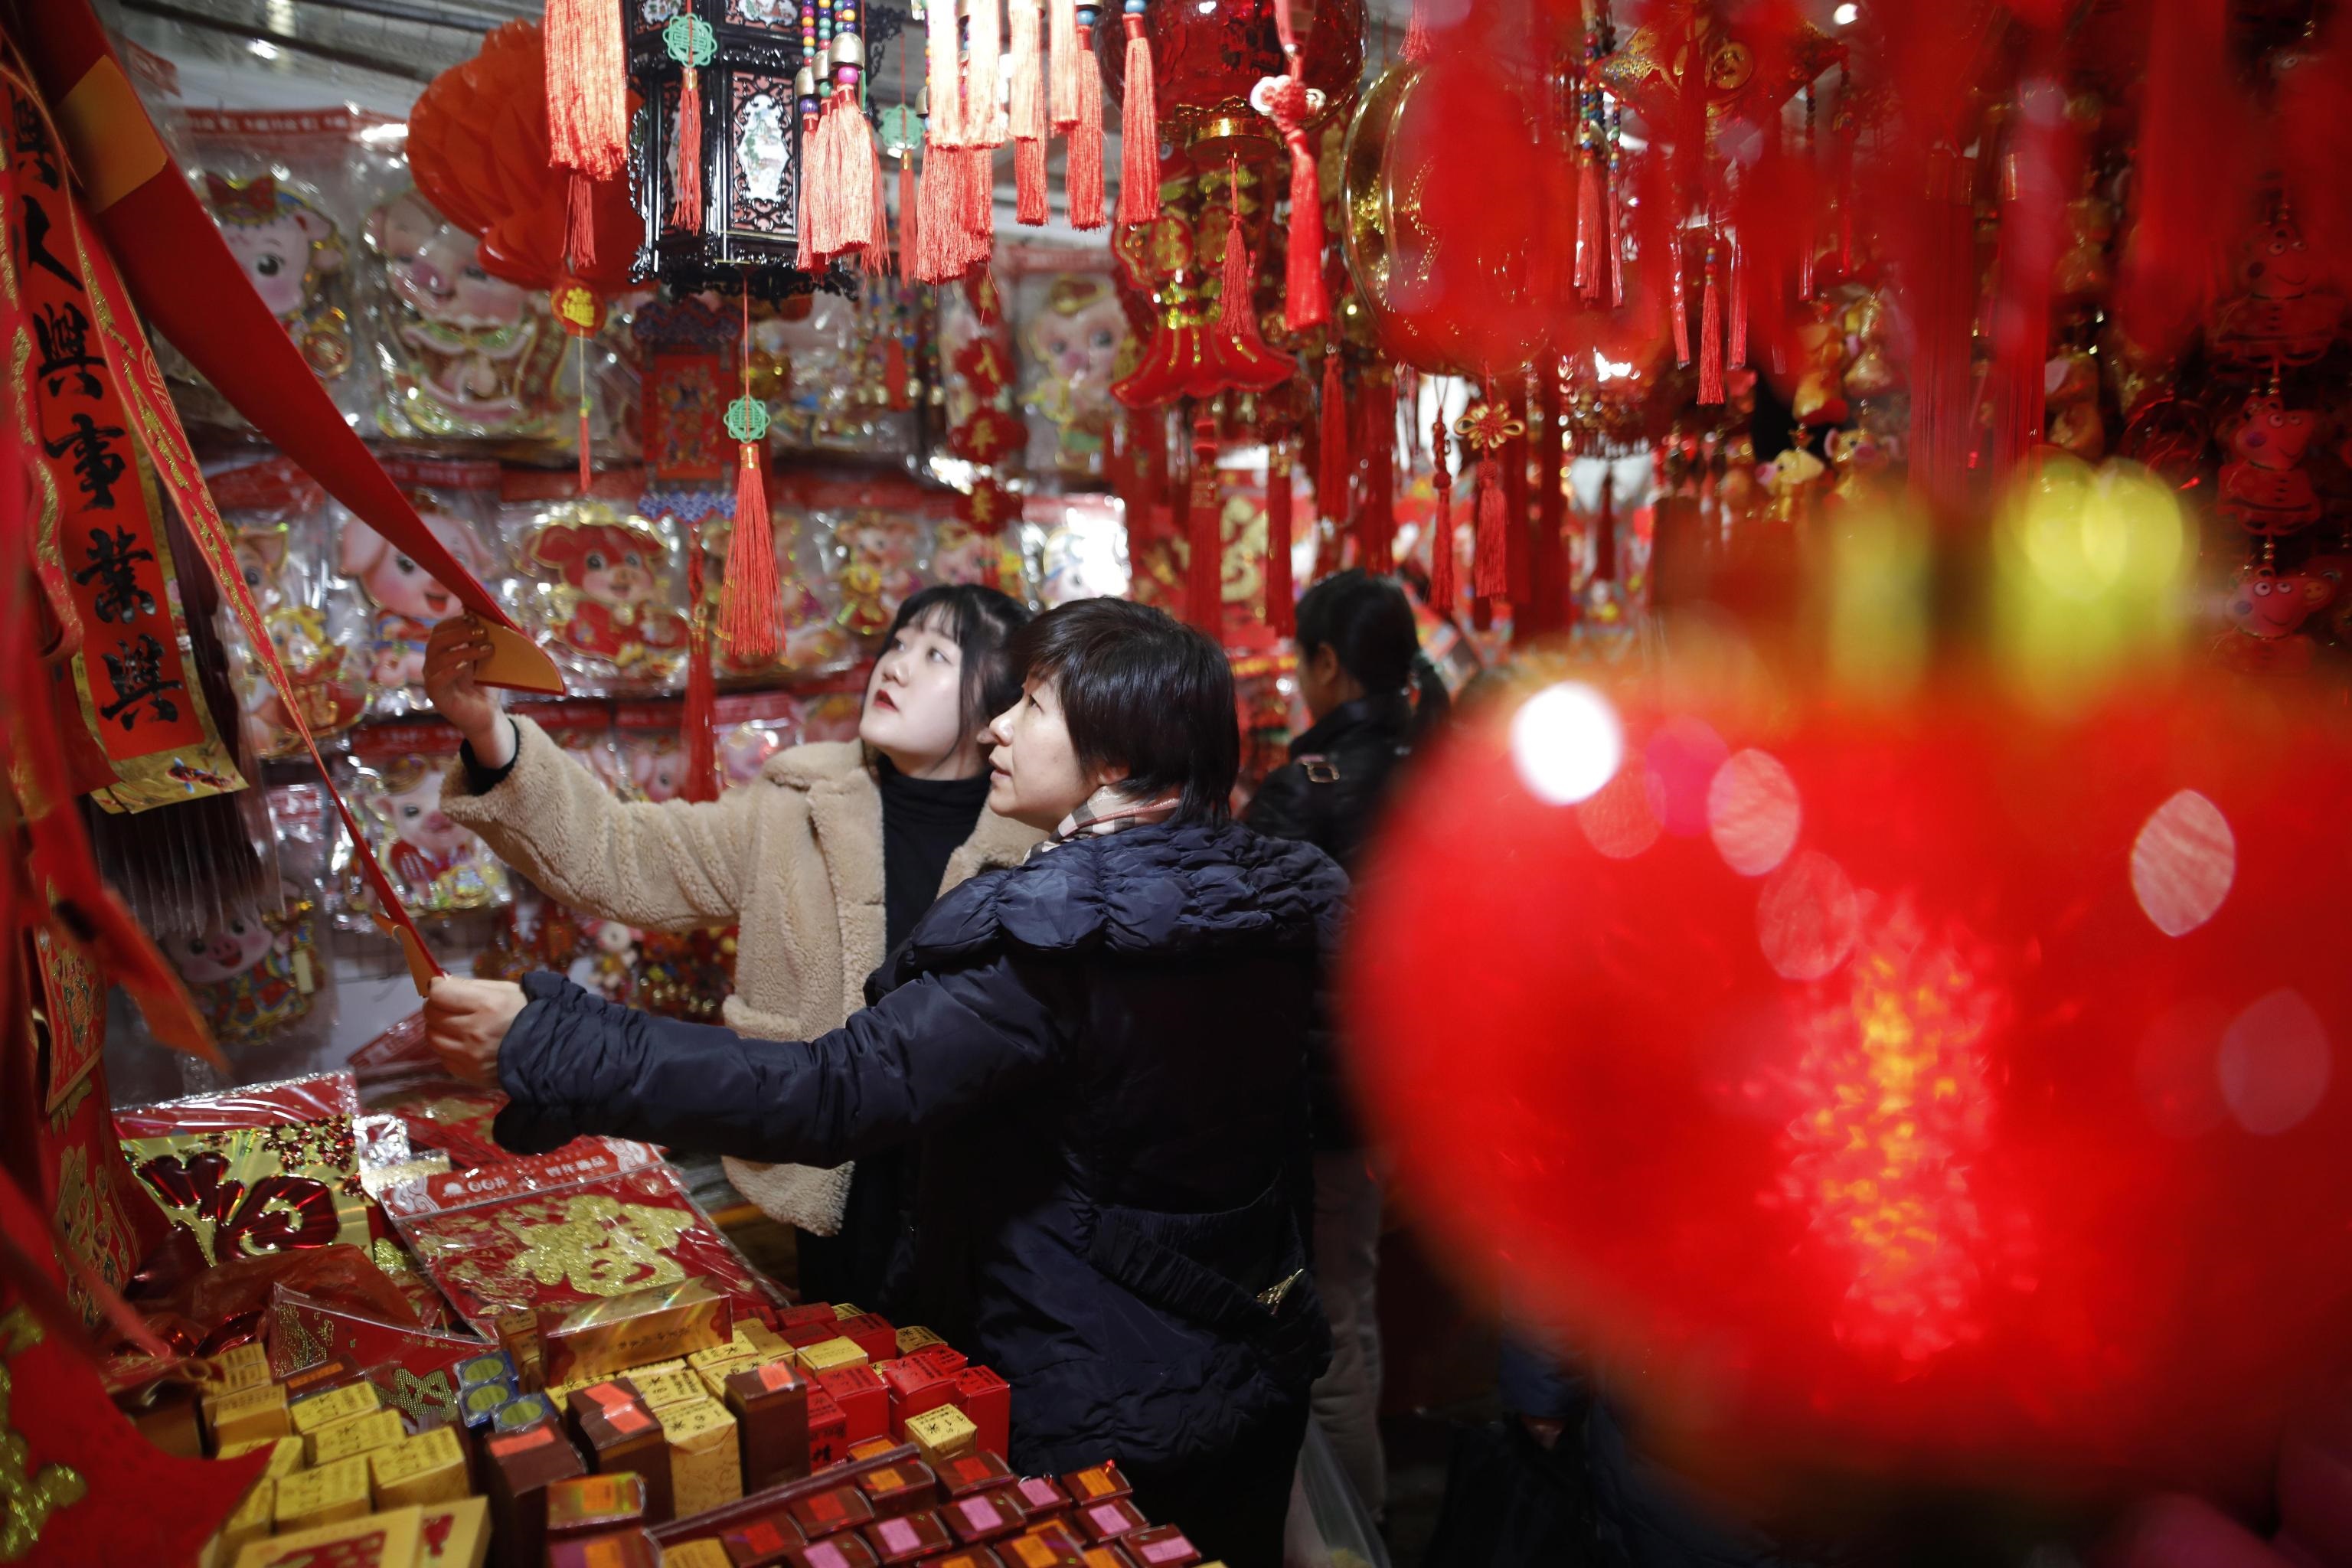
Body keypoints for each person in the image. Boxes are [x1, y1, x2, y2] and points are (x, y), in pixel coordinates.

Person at [424, 598, 1343, 1568]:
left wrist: (552, 1040)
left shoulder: (1056, 926)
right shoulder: (1257, 897)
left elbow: (832, 1090)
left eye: (1027, 703)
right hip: (1236, 1347)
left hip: (1085, 1375)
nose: (998, 722)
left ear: (1112, 761)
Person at [421, 583, 1040, 1315]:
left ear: (998, 707)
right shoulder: (796, 802)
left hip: (992, 1203)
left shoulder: (1039, 835)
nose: (896, 667)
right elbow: (624, 857)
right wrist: (492, 736)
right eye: (898, 644)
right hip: (833, 1184)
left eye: (937, 655)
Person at [1241, 568, 1450, 1523]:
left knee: (1322, 1328)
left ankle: (1349, 1534)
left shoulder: (1309, 789)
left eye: (1300, 658)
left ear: (1326, 663)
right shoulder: (1445, 766)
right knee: (1352, 1304)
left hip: (1326, 1103)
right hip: (1411, 1086)